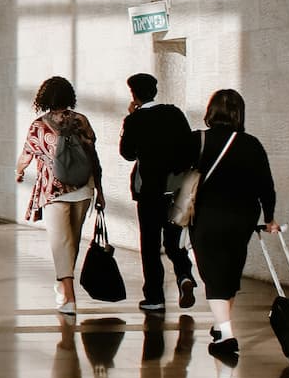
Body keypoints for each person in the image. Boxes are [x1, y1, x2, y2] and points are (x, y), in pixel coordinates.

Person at [186, 88, 279, 360]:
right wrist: (269, 217)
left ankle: (227, 336)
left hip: (206, 216)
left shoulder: (197, 141)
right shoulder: (251, 144)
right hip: (242, 219)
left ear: (210, 111)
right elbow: (266, 186)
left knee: (213, 275)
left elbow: (177, 174)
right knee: (228, 273)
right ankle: (220, 324)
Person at [15, 76, 100, 319]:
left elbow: (25, 156)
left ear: (44, 98)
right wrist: (100, 191)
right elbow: (93, 157)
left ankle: (68, 297)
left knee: (60, 243)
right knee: (71, 243)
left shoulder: (38, 126)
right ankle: (64, 287)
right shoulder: (81, 121)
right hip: (83, 189)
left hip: (53, 190)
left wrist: (19, 171)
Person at [119, 73, 197, 316]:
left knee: (150, 245)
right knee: (173, 242)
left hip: (149, 192)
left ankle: (154, 297)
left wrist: (131, 118)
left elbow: (127, 153)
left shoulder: (135, 120)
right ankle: (184, 275)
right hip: (175, 188)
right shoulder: (174, 113)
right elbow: (189, 146)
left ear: (134, 94)